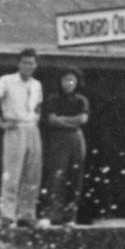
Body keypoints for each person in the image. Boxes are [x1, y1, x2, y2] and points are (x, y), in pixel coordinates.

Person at [0, 47, 44, 227]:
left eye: (31, 63)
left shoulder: (37, 84)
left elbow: (38, 106)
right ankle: (7, 214)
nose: (28, 66)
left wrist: (35, 121)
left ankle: (26, 214)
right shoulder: (6, 81)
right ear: (19, 63)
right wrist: (1, 123)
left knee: (32, 174)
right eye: (24, 62)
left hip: (32, 128)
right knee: (12, 173)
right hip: (14, 127)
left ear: (35, 65)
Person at [40, 69, 91, 226]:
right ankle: (50, 214)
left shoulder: (81, 100)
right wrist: (68, 121)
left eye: (71, 80)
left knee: (75, 176)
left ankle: (70, 217)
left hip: (76, 138)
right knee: (56, 175)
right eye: (65, 80)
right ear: (60, 82)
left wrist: (61, 119)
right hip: (58, 139)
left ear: (76, 82)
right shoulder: (53, 99)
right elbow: (51, 120)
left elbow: (82, 119)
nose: (68, 84)